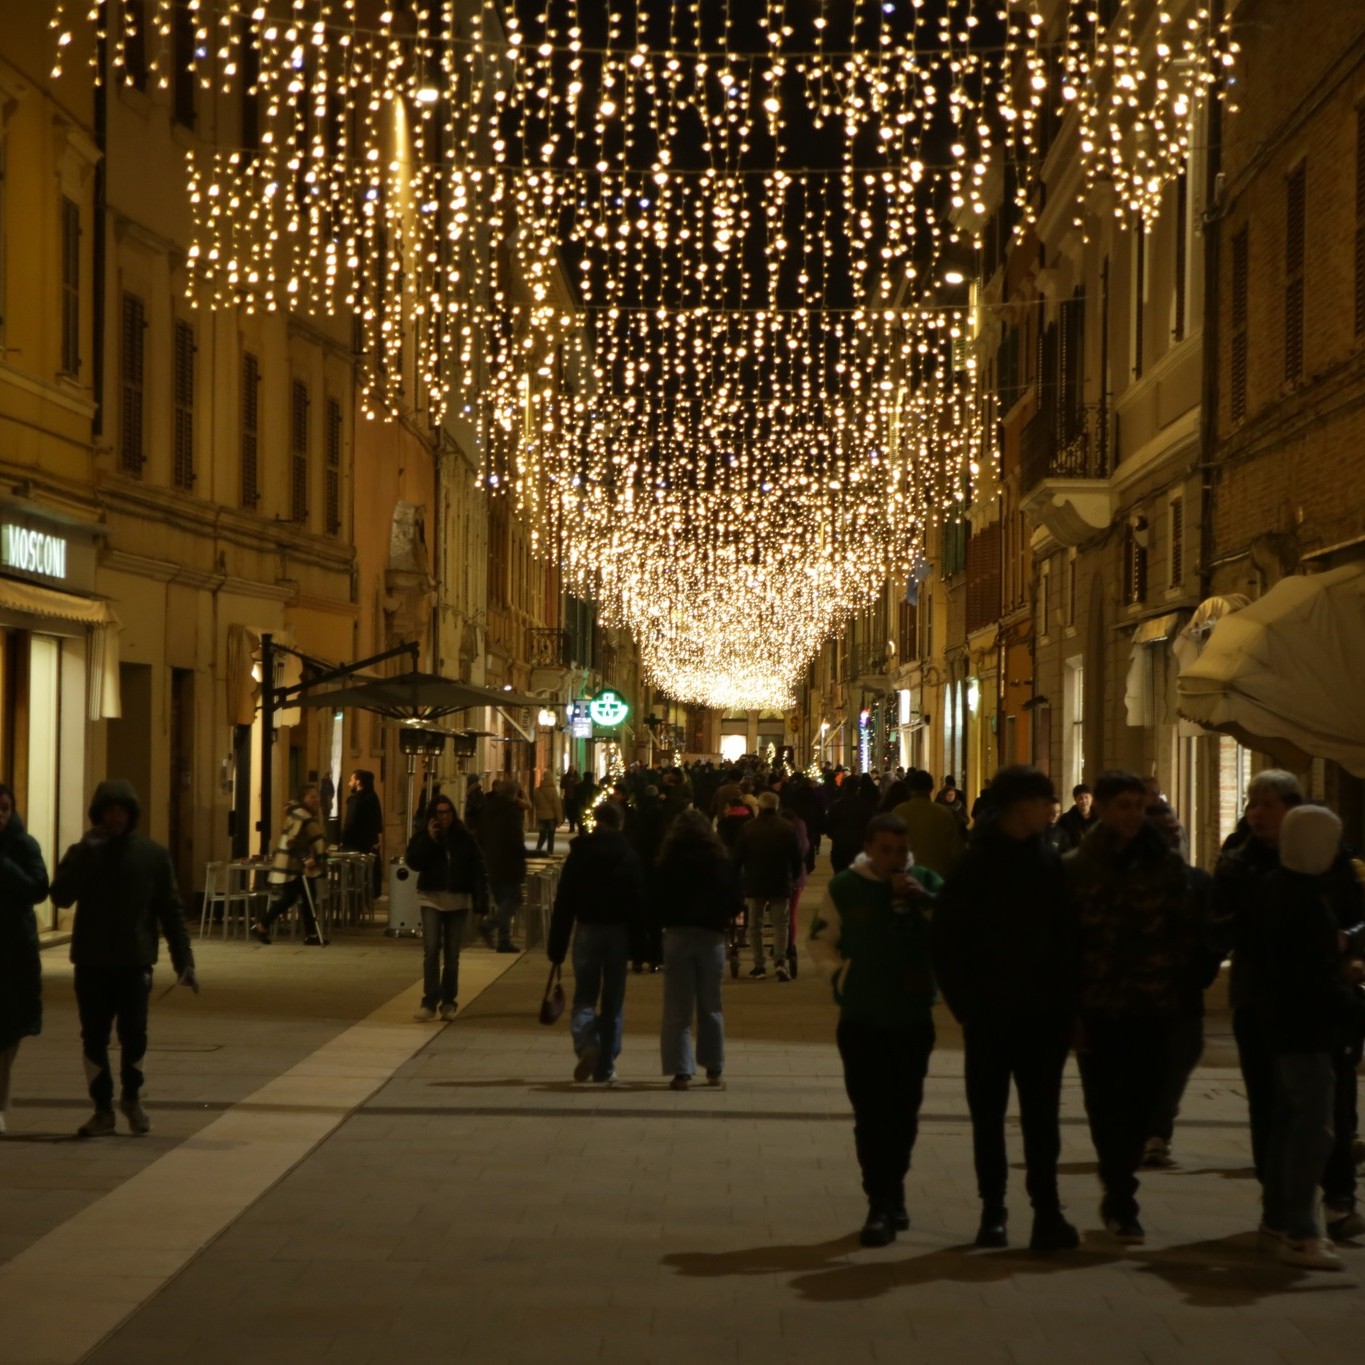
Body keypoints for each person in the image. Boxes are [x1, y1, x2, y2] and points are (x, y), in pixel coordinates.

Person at [1210, 769, 1365, 1242]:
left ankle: (1337, 1199)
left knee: (1332, 1103)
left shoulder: (1334, 863)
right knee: (1275, 1105)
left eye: (1268, 804)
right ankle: (1280, 1207)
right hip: (1266, 1001)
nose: (1256, 814)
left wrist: (1350, 948)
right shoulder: (1241, 866)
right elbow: (1224, 929)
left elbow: (1359, 919)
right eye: (1252, 804)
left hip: (1325, 1000)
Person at [933, 766, 1081, 1253]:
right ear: (1022, 806)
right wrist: (969, 1009)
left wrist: (1066, 1008)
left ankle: (1046, 1212)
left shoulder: (1050, 863)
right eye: (1045, 802)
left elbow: (1070, 942)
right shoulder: (975, 866)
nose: (1051, 810)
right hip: (992, 1018)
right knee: (989, 1118)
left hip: (1042, 1019)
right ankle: (993, 1211)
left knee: (1042, 1120)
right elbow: (949, 945)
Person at [1065, 770, 1197, 1244]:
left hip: (1154, 1005)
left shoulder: (1165, 866)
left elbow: (1187, 930)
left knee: (1143, 1104)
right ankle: (1121, 1196)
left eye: (1139, 806)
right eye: (1123, 805)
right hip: (1099, 1008)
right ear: (1098, 807)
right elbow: (1065, 945)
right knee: (1105, 1107)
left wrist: (1180, 983)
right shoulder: (1076, 868)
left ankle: (1122, 1176)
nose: (1133, 815)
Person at [809, 813, 941, 1247]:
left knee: (904, 1113)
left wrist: (924, 901)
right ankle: (879, 1202)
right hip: (862, 1018)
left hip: (911, 1017)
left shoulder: (927, 881)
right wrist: (838, 978)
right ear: (870, 849)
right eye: (885, 850)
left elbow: (955, 930)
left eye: (901, 850)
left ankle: (894, 1190)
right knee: (871, 1115)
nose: (894, 859)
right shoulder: (847, 887)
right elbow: (821, 939)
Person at [50, 781, 197, 1137]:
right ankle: (102, 1108)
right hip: (91, 961)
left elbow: (170, 910)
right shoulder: (84, 851)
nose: (114, 817)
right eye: (108, 811)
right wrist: (86, 854)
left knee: (134, 1033)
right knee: (94, 1036)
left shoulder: (152, 856)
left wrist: (184, 960)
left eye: (121, 811)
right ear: (97, 814)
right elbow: (61, 896)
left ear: (132, 815)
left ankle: (131, 1096)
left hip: (134, 961)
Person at [1253, 805, 1365, 1270]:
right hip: (1305, 1031)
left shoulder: (1281, 889)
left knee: (1289, 1127)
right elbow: (1311, 977)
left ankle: (1278, 1220)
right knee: (1312, 1131)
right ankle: (1300, 1231)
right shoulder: (1301, 898)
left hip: (1284, 1026)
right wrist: (1355, 1004)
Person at [1142, 802, 1221, 1169]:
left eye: (1177, 830)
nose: (1176, 837)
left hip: (1185, 991)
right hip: (1139, 993)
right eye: (1166, 831)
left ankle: (1157, 1128)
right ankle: (1149, 1130)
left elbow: (1212, 933)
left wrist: (1200, 974)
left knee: (1180, 1057)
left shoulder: (1198, 880)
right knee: (1148, 1061)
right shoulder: (1130, 880)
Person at [547, 801, 647, 1085]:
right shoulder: (629, 855)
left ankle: (586, 1044)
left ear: (596, 822)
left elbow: (564, 901)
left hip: (587, 930)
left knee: (584, 997)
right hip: (619, 933)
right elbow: (639, 902)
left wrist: (556, 946)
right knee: (613, 1001)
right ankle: (605, 1065)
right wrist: (641, 949)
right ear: (620, 824)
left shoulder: (579, 854)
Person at [654, 810, 744, 1090]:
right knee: (711, 1004)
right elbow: (736, 899)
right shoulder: (719, 861)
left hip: (678, 935)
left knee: (677, 1007)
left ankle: (681, 1070)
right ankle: (714, 1067)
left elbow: (655, 898)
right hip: (711, 937)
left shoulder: (668, 861)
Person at [405, 794, 489, 1022]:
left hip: (457, 901)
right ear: (432, 816)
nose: (444, 817)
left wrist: (481, 903)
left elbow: (477, 871)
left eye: (447, 812)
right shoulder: (424, 837)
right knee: (431, 950)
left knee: (452, 956)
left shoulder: (465, 838)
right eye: (439, 813)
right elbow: (413, 862)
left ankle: (449, 1002)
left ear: (453, 813)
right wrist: (429, 840)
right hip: (431, 898)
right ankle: (429, 1002)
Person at [0, 784, 49, 1136]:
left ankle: (0, 1104)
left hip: (14, 950)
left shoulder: (23, 846)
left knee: (9, 1030)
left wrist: (2, 866)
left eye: (4, 808)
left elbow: (38, 888)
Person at [733, 792, 803, 981]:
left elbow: (738, 857)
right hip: (780, 880)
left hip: (755, 881)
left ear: (760, 806)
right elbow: (796, 859)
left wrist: (737, 879)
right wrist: (794, 878)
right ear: (777, 806)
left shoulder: (749, 828)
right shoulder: (788, 828)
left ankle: (759, 965)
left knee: (755, 925)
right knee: (781, 923)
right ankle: (780, 961)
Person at [252, 785, 328, 945]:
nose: (315, 800)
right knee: (296, 897)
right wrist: (305, 857)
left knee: (303, 897)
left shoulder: (303, 814)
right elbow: (292, 840)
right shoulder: (300, 814)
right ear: (303, 798)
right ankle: (262, 925)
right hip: (295, 866)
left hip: (298, 866)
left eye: (317, 796)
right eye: (311, 797)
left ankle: (309, 934)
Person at [475, 778, 527, 953]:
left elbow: (480, 834)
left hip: (492, 862)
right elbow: (516, 840)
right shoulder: (512, 812)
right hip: (509, 864)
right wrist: (521, 860)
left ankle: (504, 941)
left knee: (502, 903)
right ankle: (488, 926)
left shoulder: (488, 808)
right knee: (514, 901)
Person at [890, 769, 966, 878]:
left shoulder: (899, 812)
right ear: (931, 789)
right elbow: (954, 850)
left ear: (910, 789)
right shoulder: (943, 814)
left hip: (907, 877)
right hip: (936, 876)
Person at [341, 769, 384, 898]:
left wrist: (343, 839)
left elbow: (350, 823)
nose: (349, 783)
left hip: (355, 845)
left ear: (358, 782)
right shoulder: (373, 797)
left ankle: (352, 900)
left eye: (351, 780)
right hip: (370, 842)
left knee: (354, 875)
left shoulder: (356, 800)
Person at [826, 774, 878, 873]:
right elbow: (871, 826)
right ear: (858, 789)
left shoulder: (837, 806)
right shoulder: (865, 806)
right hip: (859, 846)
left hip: (840, 846)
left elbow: (828, 826)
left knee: (840, 874)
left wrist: (836, 836)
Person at [533, 772, 564, 855]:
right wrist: (560, 819)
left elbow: (535, 803)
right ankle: (550, 852)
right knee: (551, 836)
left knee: (542, 835)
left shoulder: (537, 791)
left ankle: (538, 849)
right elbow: (557, 806)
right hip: (551, 817)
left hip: (541, 816)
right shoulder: (553, 791)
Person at [1057, 784, 1097, 848]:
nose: (1084, 801)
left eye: (1086, 797)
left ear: (1092, 798)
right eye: (1080, 798)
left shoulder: (1100, 817)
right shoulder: (1066, 819)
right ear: (1075, 800)